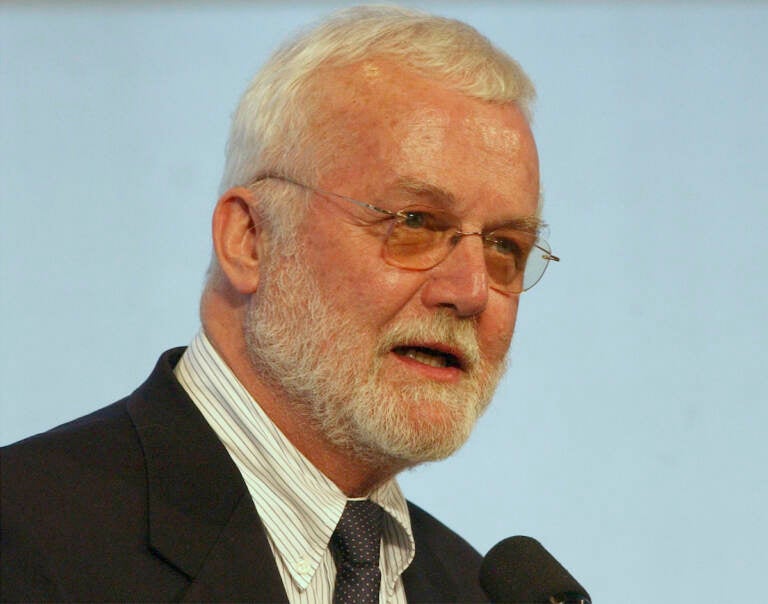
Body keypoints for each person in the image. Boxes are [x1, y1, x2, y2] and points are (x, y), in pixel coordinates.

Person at [0, 5, 559, 602]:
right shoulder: (25, 536)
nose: (472, 290)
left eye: (506, 246)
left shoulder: (474, 589)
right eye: (415, 222)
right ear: (250, 240)